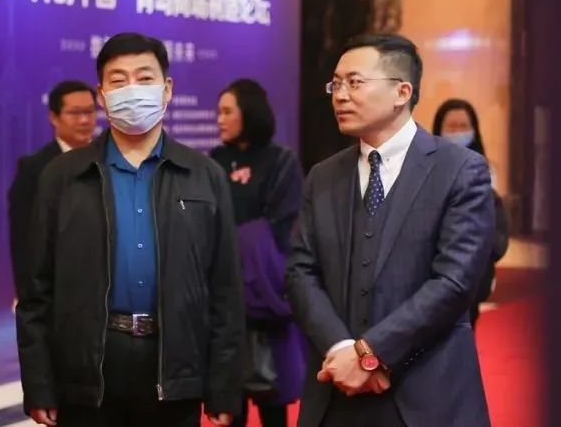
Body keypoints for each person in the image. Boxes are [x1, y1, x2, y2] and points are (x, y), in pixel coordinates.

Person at [17, 33, 244, 427]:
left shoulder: (204, 175)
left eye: (145, 78)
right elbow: (37, 291)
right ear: (102, 95)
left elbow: (225, 289)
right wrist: (39, 383)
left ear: (167, 89)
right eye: (119, 81)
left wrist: (224, 385)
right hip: (90, 370)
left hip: (173, 368)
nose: (132, 90)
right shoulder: (63, 177)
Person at [286, 34, 494, 427]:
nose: (340, 96)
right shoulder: (323, 176)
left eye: (355, 82)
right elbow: (300, 272)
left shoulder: (459, 170)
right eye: (336, 84)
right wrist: (342, 348)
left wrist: (371, 353)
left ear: (402, 92)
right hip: (336, 392)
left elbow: (454, 282)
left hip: (426, 394)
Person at [209, 79, 305, 427]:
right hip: (225, 300)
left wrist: (235, 240)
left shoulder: (281, 161)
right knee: (229, 404)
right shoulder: (215, 160)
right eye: (218, 112)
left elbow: (281, 225)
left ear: (248, 113)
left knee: (272, 402)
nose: (219, 119)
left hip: (266, 295)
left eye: (227, 111)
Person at [7, 79, 97, 293]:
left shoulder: (109, 160)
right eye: (74, 113)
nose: (84, 120)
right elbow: (22, 238)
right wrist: (28, 295)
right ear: (53, 117)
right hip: (56, 287)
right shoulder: (34, 168)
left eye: (90, 112)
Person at [432, 98, 510, 327]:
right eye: (452, 127)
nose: (458, 132)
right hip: (433, 274)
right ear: (438, 130)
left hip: (473, 275)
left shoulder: (486, 172)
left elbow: (495, 231)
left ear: (474, 130)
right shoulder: (426, 170)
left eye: (463, 126)